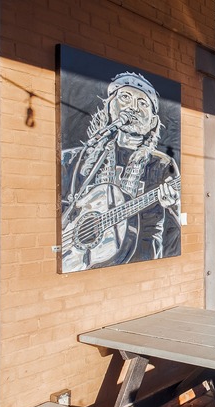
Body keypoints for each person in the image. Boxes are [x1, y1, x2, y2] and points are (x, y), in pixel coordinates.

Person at [60, 72, 180, 273]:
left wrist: (173, 204)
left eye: (143, 103)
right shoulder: (75, 159)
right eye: (125, 97)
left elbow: (182, 224)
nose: (133, 107)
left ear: (152, 122)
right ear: (109, 107)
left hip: (141, 261)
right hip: (83, 262)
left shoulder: (161, 164)